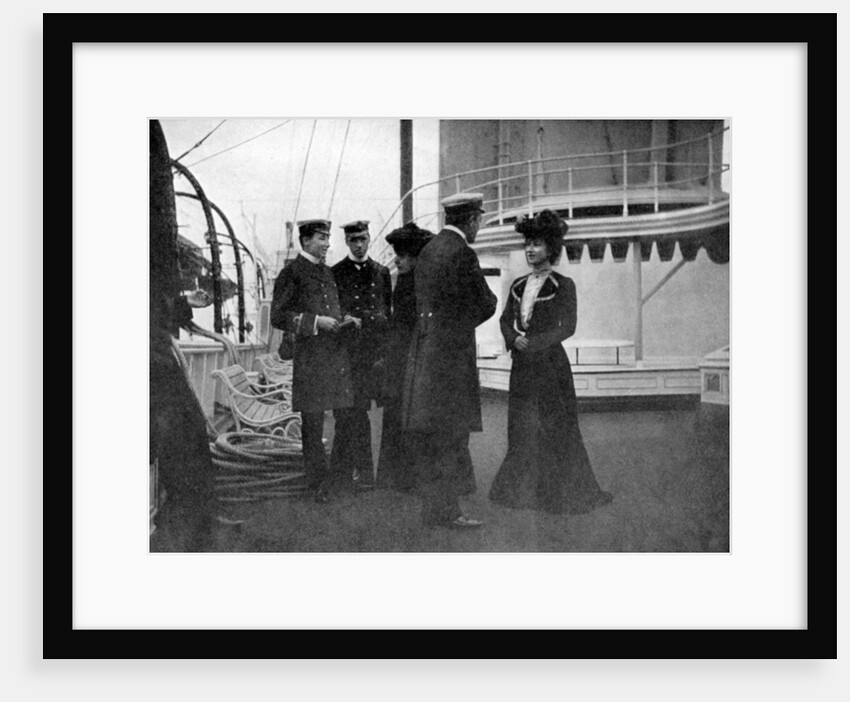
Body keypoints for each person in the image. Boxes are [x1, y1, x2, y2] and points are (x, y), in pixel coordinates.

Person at [488, 210, 613, 515]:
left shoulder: (563, 285)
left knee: (555, 428)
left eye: (537, 244)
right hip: (523, 369)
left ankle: (558, 494)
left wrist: (534, 344)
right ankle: (520, 492)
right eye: (527, 244)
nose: (530, 250)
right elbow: (505, 319)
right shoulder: (518, 285)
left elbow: (567, 326)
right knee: (521, 426)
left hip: (550, 368)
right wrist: (512, 338)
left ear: (551, 249)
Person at [402, 193, 497, 528]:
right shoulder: (462, 253)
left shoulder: (429, 250)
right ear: (471, 219)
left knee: (432, 435)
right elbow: (485, 303)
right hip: (452, 358)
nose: (479, 226)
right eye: (479, 220)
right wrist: (460, 322)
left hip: (426, 353)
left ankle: (434, 509)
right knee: (453, 435)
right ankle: (450, 513)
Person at [270, 219, 355, 503]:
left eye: (328, 237)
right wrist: (316, 322)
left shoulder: (327, 272)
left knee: (345, 414)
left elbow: (332, 308)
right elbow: (278, 317)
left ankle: (338, 477)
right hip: (311, 359)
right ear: (305, 240)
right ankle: (317, 484)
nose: (327, 243)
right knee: (313, 421)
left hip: (335, 355)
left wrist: (344, 321)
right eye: (322, 237)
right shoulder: (291, 273)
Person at [330, 220, 392, 490]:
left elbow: (385, 316)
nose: (358, 244)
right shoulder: (335, 273)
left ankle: (351, 474)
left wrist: (362, 320)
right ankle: (356, 473)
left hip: (369, 355)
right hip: (344, 354)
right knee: (347, 413)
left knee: (357, 412)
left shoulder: (382, 272)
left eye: (363, 239)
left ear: (369, 239)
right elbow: (334, 314)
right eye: (353, 240)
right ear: (346, 242)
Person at [375, 221, 433, 491]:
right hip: (400, 358)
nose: (396, 260)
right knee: (399, 415)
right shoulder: (405, 282)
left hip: (413, 359)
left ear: (415, 257)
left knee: (410, 416)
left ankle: (408, 478)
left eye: (402, 255)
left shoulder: (421, 284)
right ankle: (399, 477)